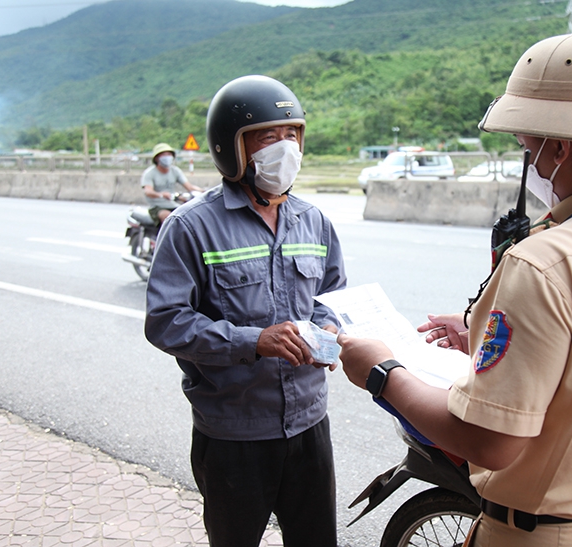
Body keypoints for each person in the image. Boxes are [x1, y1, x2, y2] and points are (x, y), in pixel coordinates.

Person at [337, 29, 572, 547]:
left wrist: (383, 373)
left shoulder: (547, 261)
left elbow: (489, 442)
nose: (531, 165)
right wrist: (481, 336)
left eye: (526, 148)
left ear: (559, 147)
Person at [144, 75, 346, 547]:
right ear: (231, 147)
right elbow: (166, 320)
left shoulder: (314, 220)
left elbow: (332, 297)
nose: (286, 147)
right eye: (269, 136)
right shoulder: (191, 227)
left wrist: (329, 329)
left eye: (292, 134)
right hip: (234, 436)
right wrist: (254, 341)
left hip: (310, 424)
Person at [141, 142, 202, 223]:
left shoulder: (175, 171)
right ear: (156, 158)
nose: (167, 157)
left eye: (169, 154)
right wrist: (161, 195)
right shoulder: (150, 173)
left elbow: (190, 187)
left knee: (187, 216)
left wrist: (203, 191)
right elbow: (148, 191)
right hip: (157, 207)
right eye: (164, 155)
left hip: (173, 204)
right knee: (168, 217)